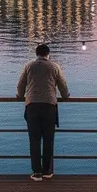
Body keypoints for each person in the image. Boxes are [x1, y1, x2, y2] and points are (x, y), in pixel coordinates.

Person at [17, 44, 69, 181]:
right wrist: (65, 95)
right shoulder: (54, 67)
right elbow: (63, 86)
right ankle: (47, 171)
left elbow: (21, 85)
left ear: (36, 54)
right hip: (49, 106)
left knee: (34, 140)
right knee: (48, 139)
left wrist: (20, 95)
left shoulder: (29, 66)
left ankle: (37, 173)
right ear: (48, 54)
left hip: (32, 106)